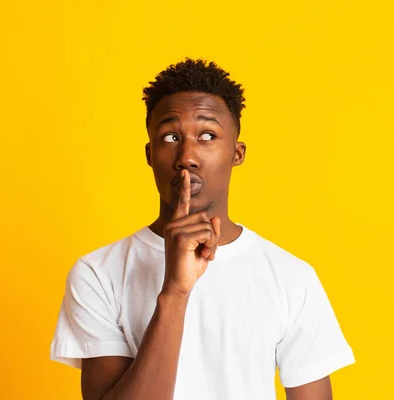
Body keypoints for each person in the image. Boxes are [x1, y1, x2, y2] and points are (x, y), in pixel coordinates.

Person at [50, 58, 355, 400]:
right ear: (150, 154)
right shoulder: (98, 273)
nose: (187, 156)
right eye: (170, 136)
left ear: (236, 153)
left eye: (207, 135)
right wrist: (176, 292)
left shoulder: (290, 277)